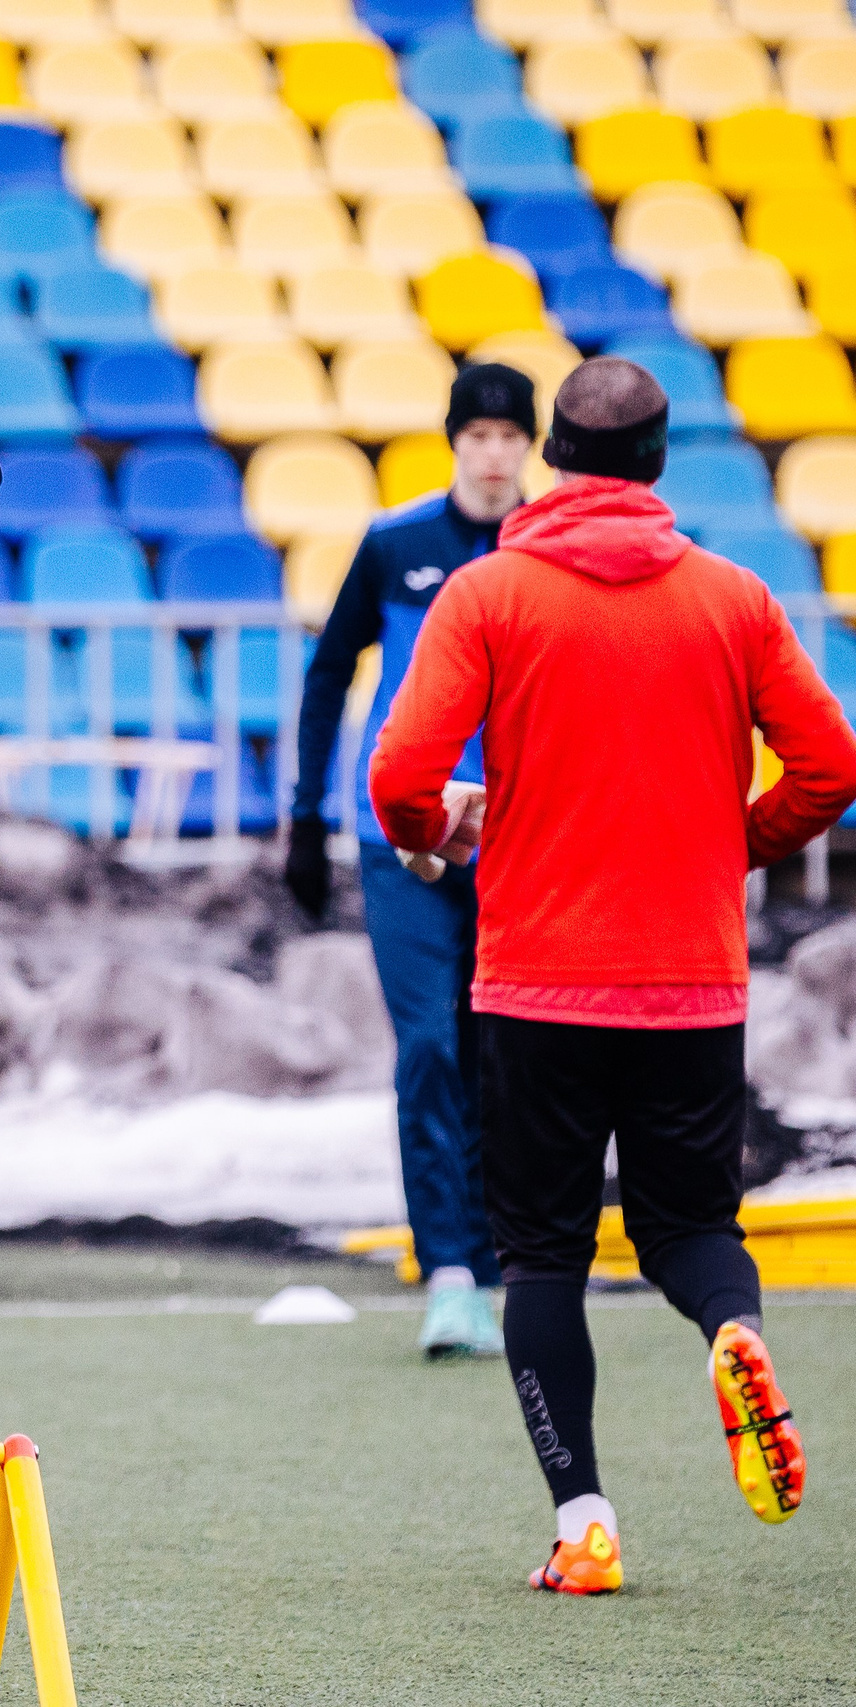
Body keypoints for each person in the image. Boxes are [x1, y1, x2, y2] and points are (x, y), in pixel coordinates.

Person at [371, 356, 856, 1594]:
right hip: (691, 981)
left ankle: (583, 1520)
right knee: (692, 1228)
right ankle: (732, 1331)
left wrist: (439, 836)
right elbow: (829, 766)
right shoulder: (736, 599)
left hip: (534, 985)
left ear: (554, 458)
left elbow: (397, 783)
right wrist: (726, 844)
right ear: (656, 462)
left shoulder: (487, 596)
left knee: (538, 1253)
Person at [284, 364, 536, 1361]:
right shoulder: (395, 545)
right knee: (429, 1045)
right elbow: (327, 670)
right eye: (474, 432)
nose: (490, 450)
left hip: (523, 836)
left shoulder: (546, 549)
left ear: (529, 446)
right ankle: (451, 1275)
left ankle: (506, 1254)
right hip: (406, 834)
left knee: (507, 1053)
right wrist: (302, 818)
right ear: (453, 442)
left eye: (508, 433)